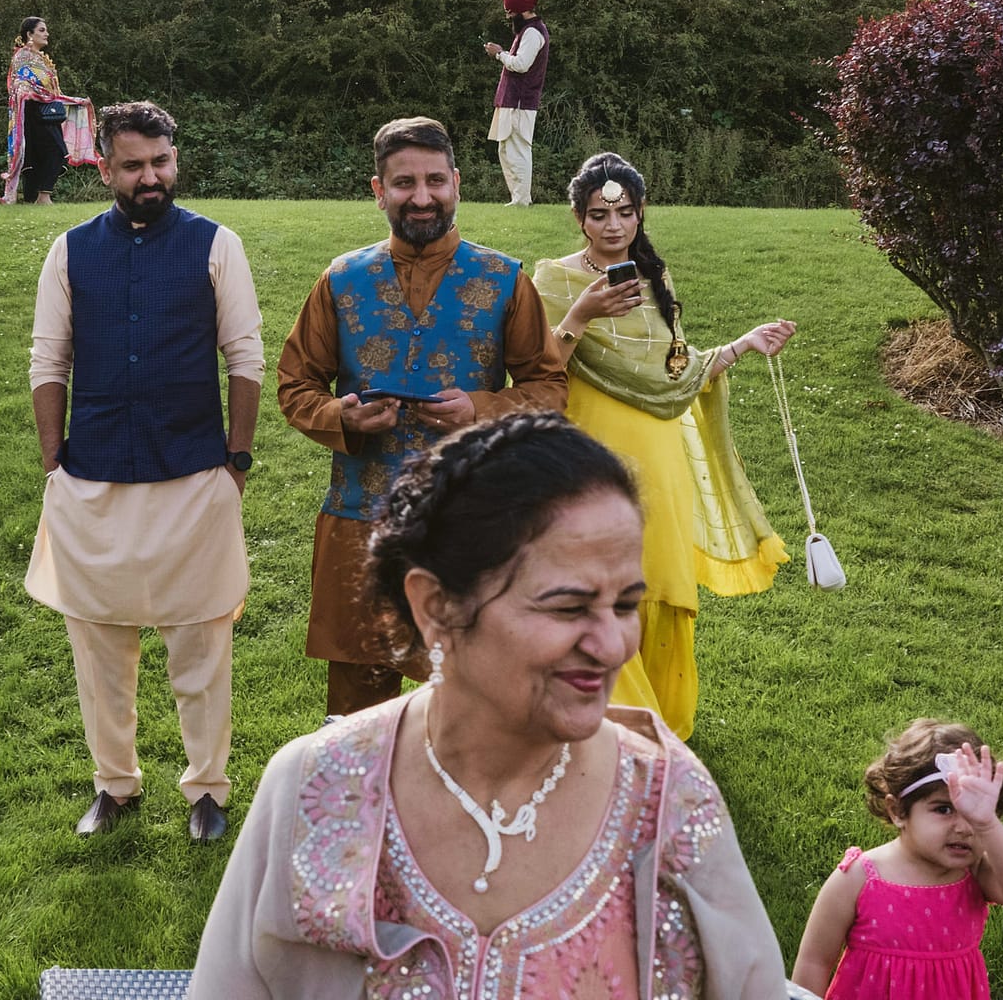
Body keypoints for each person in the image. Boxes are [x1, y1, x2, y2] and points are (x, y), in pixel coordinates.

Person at [188, 412, 790, 998]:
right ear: (436, 607)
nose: (613, 646)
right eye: (567, 607)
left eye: (626, 605)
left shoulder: (670, 802)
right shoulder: (314, 787)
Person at [277, 115, 567, 717]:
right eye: (404, 183)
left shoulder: (504, 280)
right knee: (358, 709)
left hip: (470, 520)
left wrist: (480, 409)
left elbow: (548, 387)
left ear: (456, 183)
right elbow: (295, 384)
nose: (422, 197)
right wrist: (343, 417)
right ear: (378, 191)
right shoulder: (342, 280)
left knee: (476, 692)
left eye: (435, 180)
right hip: (363, 516)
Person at [25, 100, 260, 844]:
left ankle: (208, 789)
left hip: (195, 477)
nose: (150, 177)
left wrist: (237, 461)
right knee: (99, 651)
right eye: (133, 165)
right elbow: (48, 361)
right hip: (91, 482)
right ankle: (114, 785)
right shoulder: (69, 251)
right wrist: (54, 462)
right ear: (104, 168)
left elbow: (245, 358)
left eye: (161, 162)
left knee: (201, 647)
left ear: (174, 160)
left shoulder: (217, 245)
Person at [533, 151, 793, 739]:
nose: (613, 225)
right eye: (599, 214)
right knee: (596, 581)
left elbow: (675, 373)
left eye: (624, 212)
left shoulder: (655, 276)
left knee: (657, 579)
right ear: (578, 217)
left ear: (641, 212)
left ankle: (657, 722)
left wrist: (745, 343)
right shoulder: (554, 280)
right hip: (590, 452)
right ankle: (596, 716)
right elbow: (537, 369)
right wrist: (582, 312)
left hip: (660, 452)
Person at [791, 719, 1003, 999]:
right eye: (944, 809)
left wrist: (987, 825)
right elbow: (815, 960)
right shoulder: (858, 877)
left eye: (976, 812)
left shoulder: (975, 871)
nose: (964, 827)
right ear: (898, 810)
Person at [0, 16, 98, 205]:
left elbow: (52, 92)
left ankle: (34, 199)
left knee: (40, 155)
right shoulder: (23, 56)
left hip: (46, 111)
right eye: (42, 30)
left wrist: (74, 101)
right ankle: (43, 196)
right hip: (32, 112)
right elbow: (20, 85)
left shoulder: (40, 58)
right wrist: (32, 93)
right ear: (29, 34)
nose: (47, 34)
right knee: (55, 151)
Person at [484, 0, 548, 206]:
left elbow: (521, 65)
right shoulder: (527, 31)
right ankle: (518, 198)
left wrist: (499, 54)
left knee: (517, 150)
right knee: (506, 149)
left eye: (510, 12)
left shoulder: (533, 33)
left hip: (520, 101)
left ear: (521, 10)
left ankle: (521, 200)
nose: (508, 17)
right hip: (512, 100)